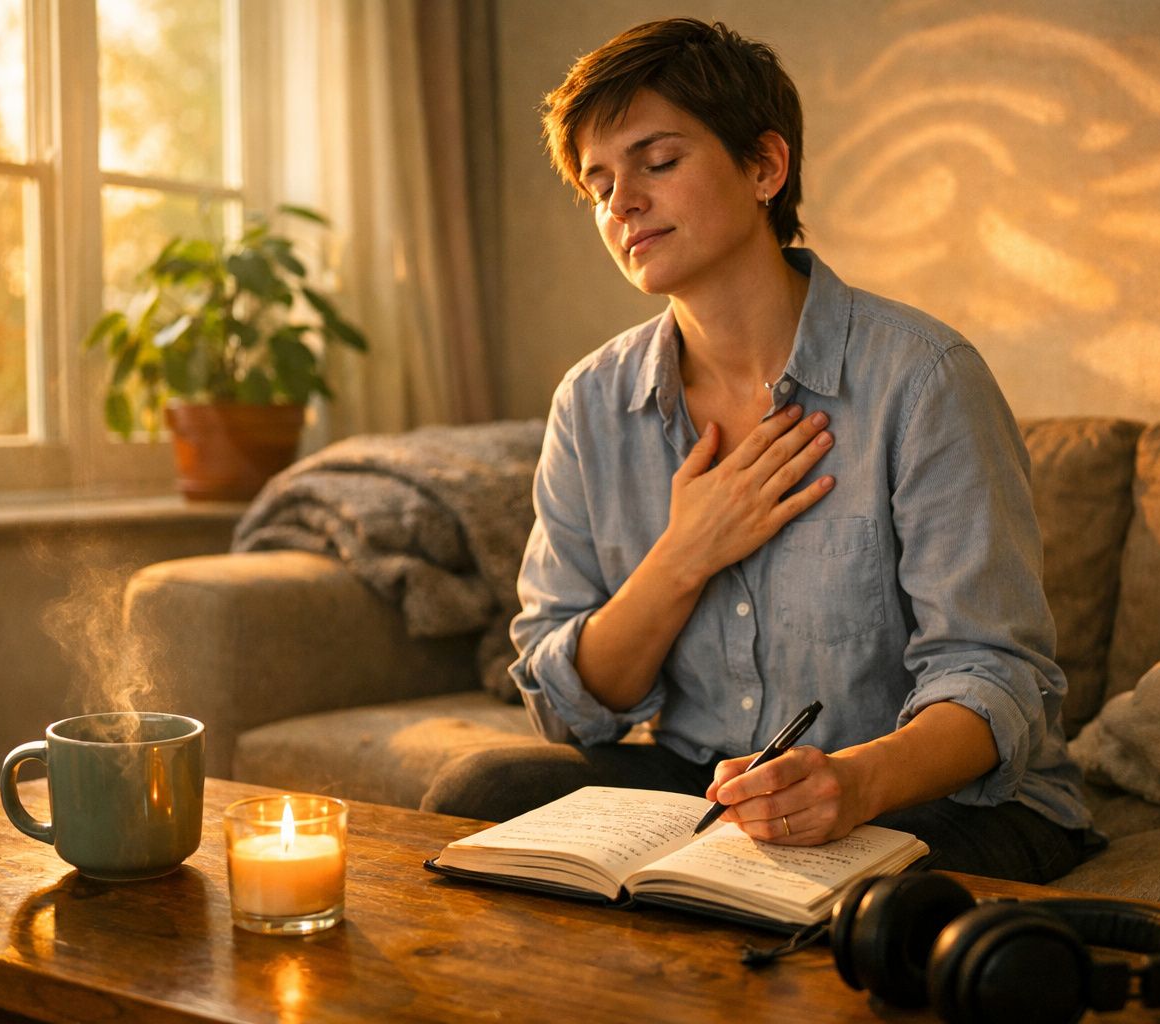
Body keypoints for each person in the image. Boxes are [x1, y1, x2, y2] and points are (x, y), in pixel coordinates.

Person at [422, 17, 1096, 882]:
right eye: (597, 184)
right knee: (480, 792)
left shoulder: (923, 378)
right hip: (708, 783)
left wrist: (850, 785)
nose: (621, 202)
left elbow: (995, 677)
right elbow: (566, 708)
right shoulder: (592, 403)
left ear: (764, 168)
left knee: (871, 913)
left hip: (926, 794)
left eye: (657, 163)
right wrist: (683, 556)